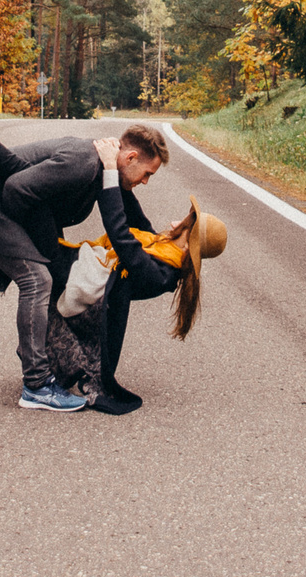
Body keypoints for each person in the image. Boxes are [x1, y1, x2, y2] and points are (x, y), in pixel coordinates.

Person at [0, 54, 167, 411]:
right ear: (129, 158)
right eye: (147, 174)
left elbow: (136, 225)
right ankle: (36, 386)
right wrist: (43, 250)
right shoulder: (84, 162)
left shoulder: (105, 174)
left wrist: (168, 248)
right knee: (38, 279)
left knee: (45, 269)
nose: (145, 182)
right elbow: (16, 188)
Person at [56, 134, 226, 415]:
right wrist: (117, 162)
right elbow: (128, 206)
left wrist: (110, 171)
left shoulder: (162, 272)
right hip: (83, 276)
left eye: (183, 221)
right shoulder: (159, 245)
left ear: (189, 235)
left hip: (80, 288)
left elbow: (120, 234)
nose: (174, 220)